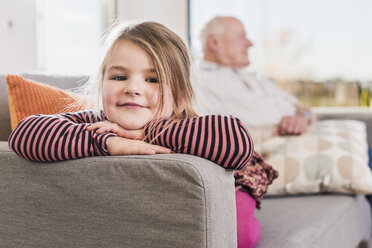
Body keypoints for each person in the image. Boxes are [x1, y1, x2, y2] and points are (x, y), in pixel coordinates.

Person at [8, 21, 277, 248]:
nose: (133, 88)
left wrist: (141, 133)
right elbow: (24, 134)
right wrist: (111, 142)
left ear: (180, 97)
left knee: (240, 234)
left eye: (152, 79)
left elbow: (238, 142)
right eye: (119, 77)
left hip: (237, 178)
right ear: (102, 85)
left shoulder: (188, 124)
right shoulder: (98, 122)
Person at [196, 16, 317, 136]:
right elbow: (265, 118)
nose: (250, 43)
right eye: (241, 37)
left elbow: (305, 109)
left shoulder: (255, 78)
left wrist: (303, 116)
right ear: (214, 42)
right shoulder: (198, 80)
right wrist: (296, 117)